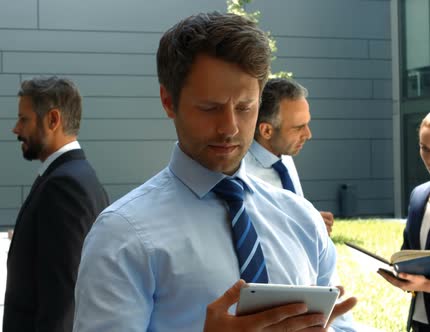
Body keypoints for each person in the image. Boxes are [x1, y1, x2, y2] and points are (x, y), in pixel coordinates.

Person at [73, 12, 356, 332]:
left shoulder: (301, 220)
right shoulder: (122, 236)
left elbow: (342, 327)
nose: (229, 128)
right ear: (168, 101)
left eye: (244, 107)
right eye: (209, 108)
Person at [3, 77, 109, 332]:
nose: (16, 129)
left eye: (24, 119)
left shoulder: (64, 186)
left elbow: (62, 297)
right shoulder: (73, 176)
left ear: (53, 120)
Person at [243, 78, 334, 235]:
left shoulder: (284, 158)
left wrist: (310, 220)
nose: (308, 135)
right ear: (266, 131)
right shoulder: (240, 174)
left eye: (307, 124)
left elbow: (285, 217)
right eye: (298, 128)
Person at [379, 113, 430, 332]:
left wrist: (426, 285)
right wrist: (401, 275)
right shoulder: (419, 196)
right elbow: (409, 253)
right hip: (419, 322)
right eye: (424, 148)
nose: (429, 158)